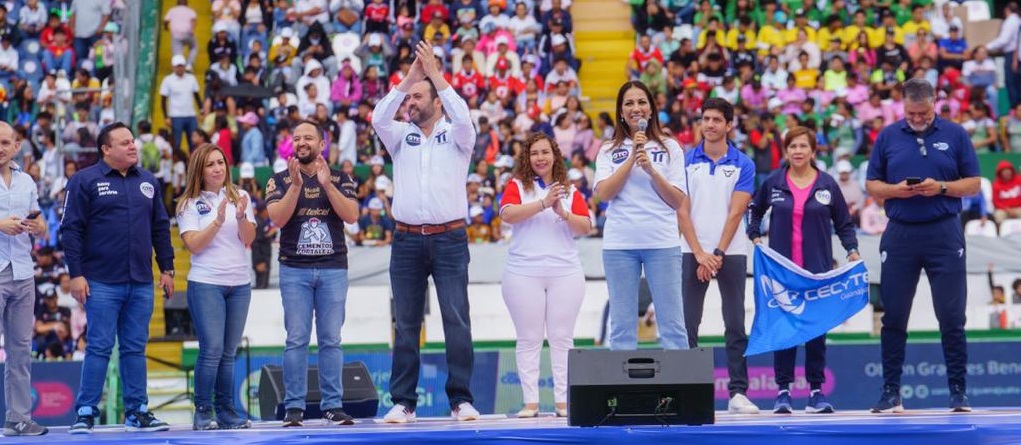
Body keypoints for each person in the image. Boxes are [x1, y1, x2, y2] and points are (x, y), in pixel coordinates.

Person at [372, 41, 480, 423]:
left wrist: (434, 73)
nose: (410, 102)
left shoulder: (458, 135)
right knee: (406, 323)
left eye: (418, 97)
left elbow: (466, 117)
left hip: (449, 238)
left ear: (437, 101)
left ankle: (460, 400)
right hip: (405, 240)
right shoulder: (400, 134)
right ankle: (403, 402)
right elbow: (377, 118)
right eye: (408, 98)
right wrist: (408, 79)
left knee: (456, 319)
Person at [865, 78, 981, 413]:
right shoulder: (888, 136)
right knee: (894, 316)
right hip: (900, 232)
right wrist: (896, 191)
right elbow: (872, 185)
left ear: (934, 104)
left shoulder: (955, 134)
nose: (917, 119)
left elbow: (973, 184)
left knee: (951, 316)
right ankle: (891, 392)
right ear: (903, 106)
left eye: (923, 113)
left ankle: (959, 392)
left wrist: (942, 187)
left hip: (944, 232)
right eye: (911, 113)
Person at [61, 122, 175, 433]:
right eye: (124, 143)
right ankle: (85, 411)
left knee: (134, 348)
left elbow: (160, 229)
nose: (133, 146)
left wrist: (167, 268)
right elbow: (70, 230)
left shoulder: (149, 182)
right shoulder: (84, 181)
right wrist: (76, 275)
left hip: (140, 281)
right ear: (106, 149)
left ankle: (137, 411)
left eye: (133, 141)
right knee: (98, 346)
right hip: (100, 281)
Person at [747, 126, 861, 414]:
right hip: (783, 273)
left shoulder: (828, 185)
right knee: (784, 330)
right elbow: (755, 210)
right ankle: (783, 392)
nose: (797, 151)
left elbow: (845, 224)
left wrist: (852, 250)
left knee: (815, 331)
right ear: (786, 151)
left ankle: (816, 392)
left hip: (817, 272)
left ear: (813, 150)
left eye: (802, 146)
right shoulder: (773, 182)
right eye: (792, 146)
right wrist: (754, 234)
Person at [265, 119, 360, 427]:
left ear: (322, 144)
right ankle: (294, 406)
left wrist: (327, 185)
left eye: (308, 137)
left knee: (331, 339)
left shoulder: (340, 177)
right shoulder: (279, 179)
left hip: (333, 268)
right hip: (294, 269)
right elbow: (277, 219)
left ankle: (332, 405)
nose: (301, 142)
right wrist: (295, 186)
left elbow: (351, 215)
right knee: (296, 339)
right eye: (297, 138)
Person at [499, 132, 591, 418]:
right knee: (529, 338)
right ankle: (531, 403)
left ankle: (564, 402)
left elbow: (585, 227)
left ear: (555, 156)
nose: (540, 158)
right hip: (523, 272)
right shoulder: (516, 185)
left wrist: (561, 211)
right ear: (527, 157)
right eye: (534, 153)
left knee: (562, 337)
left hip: (565, 272)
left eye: (545, 152)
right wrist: (542, 203)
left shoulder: (570, 190)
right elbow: (507, 214)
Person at [677, 98, 759, 414]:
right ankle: (687, 390)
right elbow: (681, 210)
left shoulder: (744, 163)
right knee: (687, 324)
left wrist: (717, 253)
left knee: (735, 322)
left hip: (732, 252)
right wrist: (700, 253)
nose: (709, 125)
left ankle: (738, 393)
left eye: (716, 120)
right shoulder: (685, 161)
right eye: (705, 119)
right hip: (691, 251)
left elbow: (737, 211)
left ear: (728, 125)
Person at [593, 80, 689, 351]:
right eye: (629, 103)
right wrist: (632, 156)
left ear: (651, 109)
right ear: (621, 112)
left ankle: (675, 393)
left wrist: (652, 170)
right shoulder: (607, 150)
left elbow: (676, 199)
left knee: (672, 326)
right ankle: (622, 394)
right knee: (622, 328)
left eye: (641, 102)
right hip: (619, 245)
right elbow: (604, 194)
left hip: (662, 242)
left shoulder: (671, 147)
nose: (636, 108)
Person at [176, 144, 256, 430]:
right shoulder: (187, 203)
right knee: (211, 349)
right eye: (210, 164)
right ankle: (203, 411)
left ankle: (226, 411)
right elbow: (194, 245)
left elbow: (248, 239)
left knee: (229, 352)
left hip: (239, 284)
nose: (218, 168)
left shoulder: (241, 197)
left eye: (221, 162)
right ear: (199, 169)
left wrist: (241, 217)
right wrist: (218, 221)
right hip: (206, 283)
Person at [0, 121, 49, 436]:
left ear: (17, 146)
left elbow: (40, 218)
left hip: (22, 270)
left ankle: (17, 417)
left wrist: (38, 226)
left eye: (6, 142)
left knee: (20, 349)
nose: (1, 147)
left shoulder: (26, 181)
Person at [160, 55, 203, 153]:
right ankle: (177, 165)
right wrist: (166, 116)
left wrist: (201, 111)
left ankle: (194, 165)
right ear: (173, 67)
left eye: (181, 66)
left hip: (191, 115)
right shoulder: (168, 80)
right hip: (176, 116)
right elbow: (163, 100)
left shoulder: (191, 78)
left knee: (194, 143)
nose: (180, 68)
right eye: (177, 66)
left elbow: (197, 96)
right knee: (176, 143)